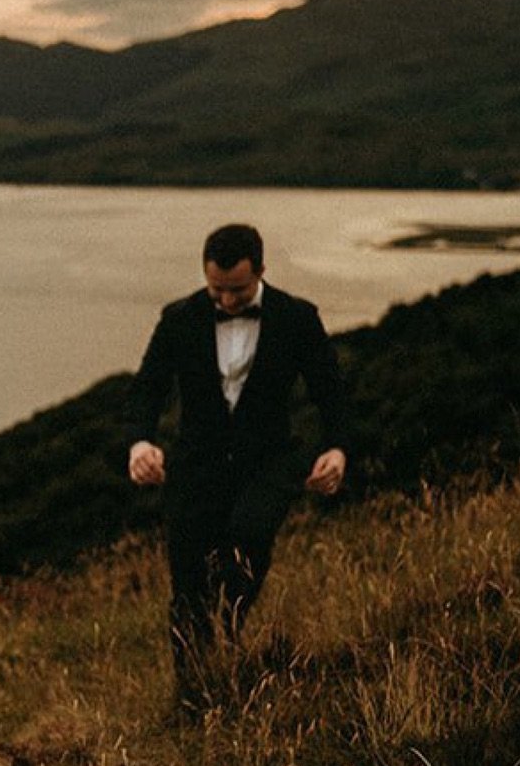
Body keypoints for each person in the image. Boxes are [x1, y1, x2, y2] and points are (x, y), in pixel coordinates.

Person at [124, 224, 351, 707]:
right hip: (194, 464)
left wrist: (337, 447)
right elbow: (147, 386)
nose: (226, 301)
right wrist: (140, 442)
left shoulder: (297, 317)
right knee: (187, 585)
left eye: (238, 290)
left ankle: (228, 628)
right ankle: (193, 700)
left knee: (248, 536)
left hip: (267, 460)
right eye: (216, 289)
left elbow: (330, 389)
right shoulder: (179, 318)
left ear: (261, 272)